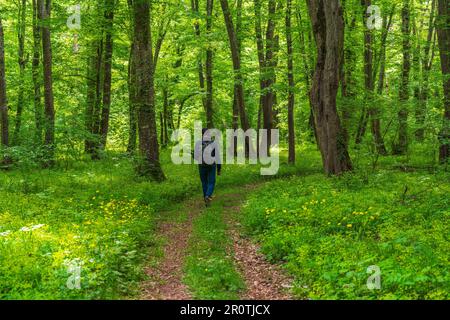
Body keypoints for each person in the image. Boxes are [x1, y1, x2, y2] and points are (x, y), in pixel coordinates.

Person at [194, 128, 221, 207]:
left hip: (201, 165)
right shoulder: (214, 143)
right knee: (211, 182)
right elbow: (218, 157)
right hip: (211, 165)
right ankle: (208, 196)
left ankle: (206, 199)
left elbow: (195, 157)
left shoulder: (198, 143)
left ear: (202, 134)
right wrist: (219, 169)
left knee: (204, 182)